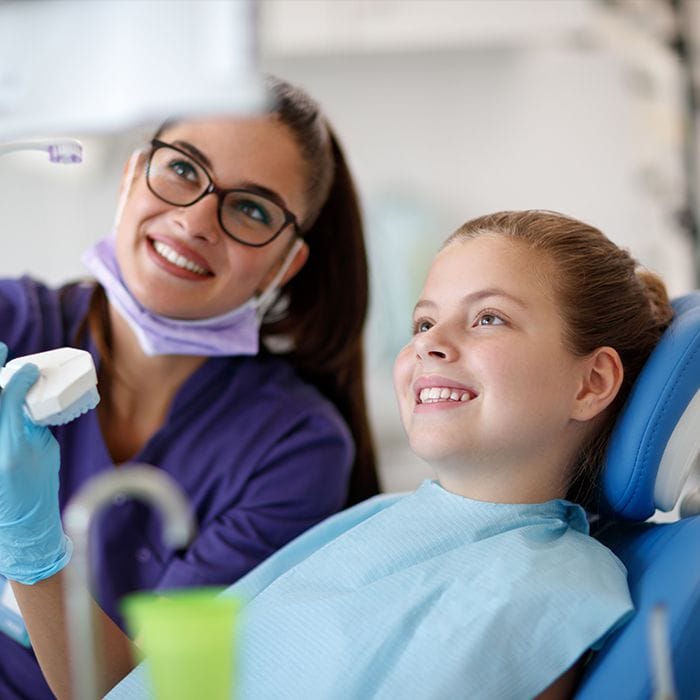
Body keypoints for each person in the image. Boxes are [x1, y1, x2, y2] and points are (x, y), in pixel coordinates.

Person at [2, 210, 673, 699]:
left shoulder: (542, 590)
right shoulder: (374, 522)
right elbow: (128, 685)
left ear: (592, 382)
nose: (431, 344)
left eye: (488, 317)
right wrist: (34, 544)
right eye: (422, 321)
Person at [0, 75, 378, 699]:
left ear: (285, 265)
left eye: (251, 209)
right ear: (130, 176)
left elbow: (140, 691)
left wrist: (36, 554)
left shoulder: (292, 449)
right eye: (181, 170)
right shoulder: (15, 323)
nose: (197, 219)